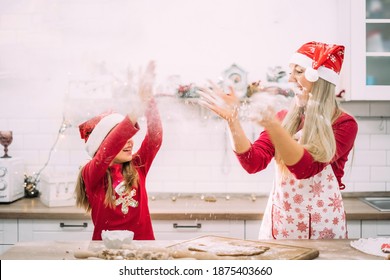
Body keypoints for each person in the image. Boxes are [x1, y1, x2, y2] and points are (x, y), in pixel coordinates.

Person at [198, 41, 358, 239]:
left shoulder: (344, 124)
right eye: (290, 72)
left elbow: (305, 168)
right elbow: (253, 162)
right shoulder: (284, 118)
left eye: (299, 71)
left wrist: (272, 125)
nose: (290, 79)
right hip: (281, 226)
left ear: (319, 79)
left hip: (323, 230)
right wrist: (233, 121)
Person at [75, 61, 163, 240]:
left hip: (144, 250)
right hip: (105, 252)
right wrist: (137, 106)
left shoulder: (138, 166)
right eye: (123, 138)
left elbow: (155, 137)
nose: (130, 142)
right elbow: (109, 149)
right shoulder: (91, 172)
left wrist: (148, 101)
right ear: (103, 144)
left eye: (129, 137)